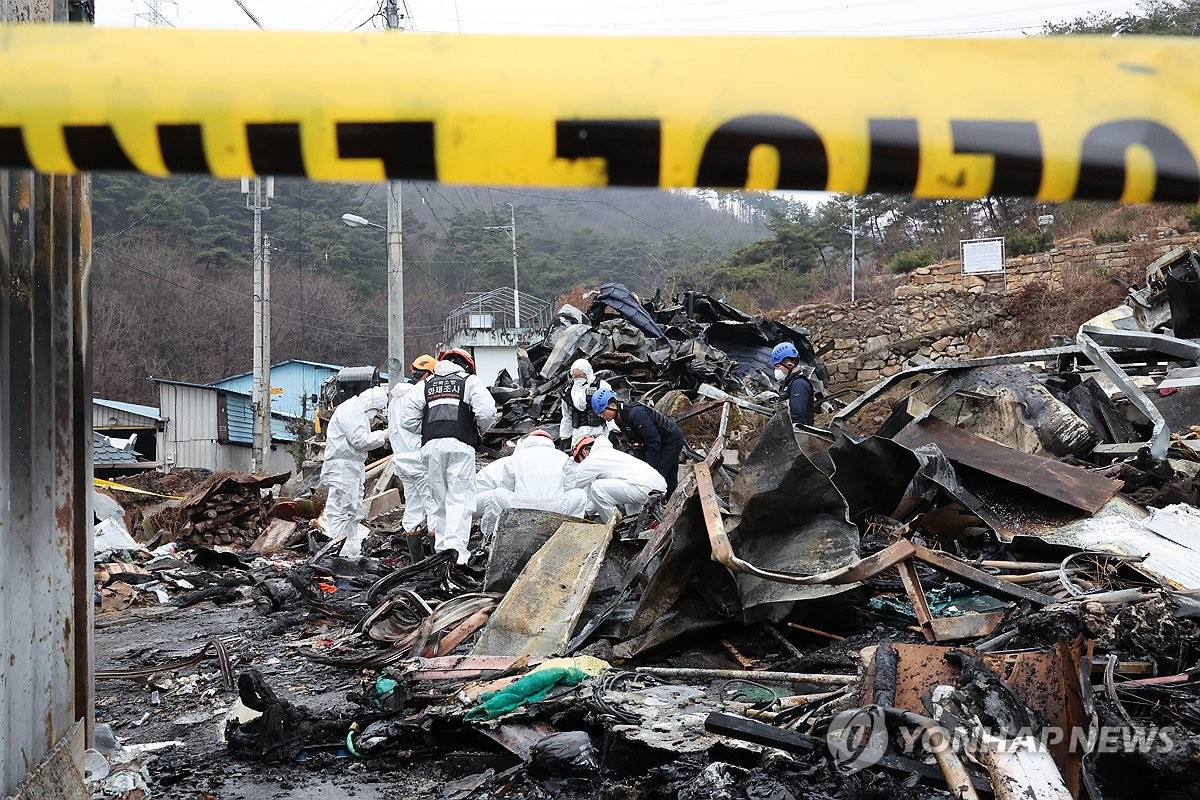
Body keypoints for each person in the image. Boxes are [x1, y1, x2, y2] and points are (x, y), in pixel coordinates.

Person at [397, 347, 497, 563]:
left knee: (439, 501)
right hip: (461, 446)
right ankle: (456, 555)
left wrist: (429, 430)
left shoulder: (426, 384)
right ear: (468, 366)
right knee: (459, 500)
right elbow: (488, 412)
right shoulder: (469, 381)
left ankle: (441, 555)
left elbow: (406, 419)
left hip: (431, 449)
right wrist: (477, 430)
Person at [320, 385, 390, 558]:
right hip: (343, 466)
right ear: (371, 405)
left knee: (352, 509)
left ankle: (350, 550)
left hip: (351, 465)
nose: (376, 414)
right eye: (377, 410)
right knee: (343, 508)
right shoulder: (350, 411)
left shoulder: (357, 411)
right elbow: (360, 440)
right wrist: (386, 434)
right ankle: (339, 550)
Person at [480, 431, 588, 537]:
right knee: (581, 494)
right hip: (556, 508)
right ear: (550, 442)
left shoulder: (516, 457)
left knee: (496, 494)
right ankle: (571, 535)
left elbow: (506, 485)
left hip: (521, 507)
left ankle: (490, 534)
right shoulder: (562, 456)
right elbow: (569, 485)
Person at [591, 388, 685, 496]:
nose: (601, 416)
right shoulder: (618, 418)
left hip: (670, 440)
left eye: (602, 412)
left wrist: (650, 468)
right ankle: (668, 501)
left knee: (657, 478)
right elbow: (636, 443)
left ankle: (661, 503)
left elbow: (654, 442)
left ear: (612, 405)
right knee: (665, 478)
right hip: (654, 441)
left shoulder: (636, 413)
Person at [388, 356, 437, 560]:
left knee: (413, 506)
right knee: (434, 505)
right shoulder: (419, 396)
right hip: (420, 460)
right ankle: (437, 561)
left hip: (402, 461)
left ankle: (416, 562)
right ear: (427, 375)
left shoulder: (396, 398)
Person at [567, 436, 666, 520]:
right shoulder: (611, 454)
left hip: (644, 488)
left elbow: (571, 485)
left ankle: (613, 529)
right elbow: (601, 498)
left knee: (596, 487)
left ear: (584, 452)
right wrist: (588, 512)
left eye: (580, 460)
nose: (581, 463)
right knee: (630, 511)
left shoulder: (594, 458)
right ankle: (635, 527)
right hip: (656, 486)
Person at [559, 358, 612, 448]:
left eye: (581, 375)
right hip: (578, 435)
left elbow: (610, 410)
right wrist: (564, 437)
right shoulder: (569, 391)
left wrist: (613, 431)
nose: (578, 379)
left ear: (587, 373)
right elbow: (567, 416)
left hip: (599, 433)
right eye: (575, 376)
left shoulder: (601, 386)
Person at [771, 342, 815, 427]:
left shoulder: (799, 385)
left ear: (789, 365)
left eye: (777, 366)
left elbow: (797, 419)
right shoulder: (789, 383)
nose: (776, 370)